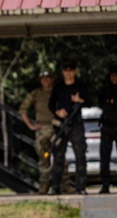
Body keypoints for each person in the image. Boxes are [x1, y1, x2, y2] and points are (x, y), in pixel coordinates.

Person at [48, 61, 90, 195]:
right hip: (61, 125)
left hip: (76, 125)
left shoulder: (81, 86)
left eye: (71, 70)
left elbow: (90, 101)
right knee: (58, 157)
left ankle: (81, 187)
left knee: (80, 156)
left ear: (75, 71)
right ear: (63, 72)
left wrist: (80, 100)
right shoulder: (59, 87)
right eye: (66, 70)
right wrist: (57, 112)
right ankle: (55, 187)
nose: (68, 73)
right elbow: (51, 104)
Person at [19, 69, 57, 195]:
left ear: (52, 79)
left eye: (48, 78)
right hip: (42, 129)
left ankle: (61, 185)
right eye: (43, 78)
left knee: (59, 157)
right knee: (43, 157)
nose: (45, 81)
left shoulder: (58, 92)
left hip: (57, 127)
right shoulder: (36, 93)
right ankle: (44, 186)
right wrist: (30, 125)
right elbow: (23, 109)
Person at [98, 64, 117, 194]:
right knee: (104, 157)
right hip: (107, 126)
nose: (114, 78)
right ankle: (105, 184)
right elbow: (103, 105)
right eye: (112, 76)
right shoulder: (105, 90)